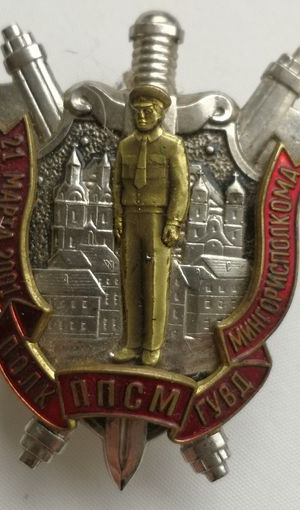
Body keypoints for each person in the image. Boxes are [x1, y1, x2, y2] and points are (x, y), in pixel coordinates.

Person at [111, 84, 189, 366]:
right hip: (131, 220)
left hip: (157, 220)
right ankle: (132, 344)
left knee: (155, 283)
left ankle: (152, 346)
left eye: (147, 111)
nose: (141, 116)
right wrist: (118, 217)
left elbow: (181, 187)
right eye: (137, 111)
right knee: (130, 282)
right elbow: (116, 185)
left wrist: (174, 222)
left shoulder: (172, 145)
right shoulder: (125, 146)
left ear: (160, 113)